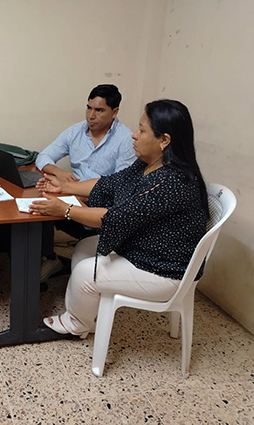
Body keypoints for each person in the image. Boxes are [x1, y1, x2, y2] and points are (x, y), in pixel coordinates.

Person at [30, 99, 208, 338]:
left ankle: (76, 324)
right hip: (144, 247)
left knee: (84, 272)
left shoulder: (175, 182)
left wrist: (65, 210)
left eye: (142, 130)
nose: (134, 135)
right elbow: (108, 184)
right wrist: (63, 187)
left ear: (164, 140)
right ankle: (85, 317)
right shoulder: (147, 165)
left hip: (165, 268)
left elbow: (115, 218)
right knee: (84, 248)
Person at [35, 84, 137, 283]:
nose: (91, 115)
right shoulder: (76, 131)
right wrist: (59, 172)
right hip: (72, 195)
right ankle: (48, 258)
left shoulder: (126, 141)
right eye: (89, 108)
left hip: (100, 207)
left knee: (47, 204)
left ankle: (62, 261)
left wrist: (75, 193)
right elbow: (43, 156)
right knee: (39, 201)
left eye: (99, 110)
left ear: (114, 112)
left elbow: (119, 188)